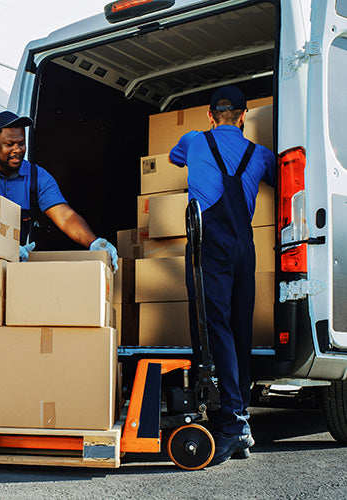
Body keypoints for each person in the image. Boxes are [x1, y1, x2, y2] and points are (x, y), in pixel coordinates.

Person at [169, 86, 275, 466]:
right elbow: (279, 178)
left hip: (208, 244)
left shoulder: (193, 140)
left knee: (215, 329)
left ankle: (231, 423)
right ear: (243, 116)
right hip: (244, 247)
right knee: (238, 328)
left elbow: (173, 158)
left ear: (210, 115)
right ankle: (239, 416)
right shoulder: (261, 155)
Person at [0, 111, 118, 271]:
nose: (17, 150)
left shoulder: (37, 176)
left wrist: (94, 242)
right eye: (10, 144)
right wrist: (5, 248)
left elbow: (65, 217)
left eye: (21, 143)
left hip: (14, 270)